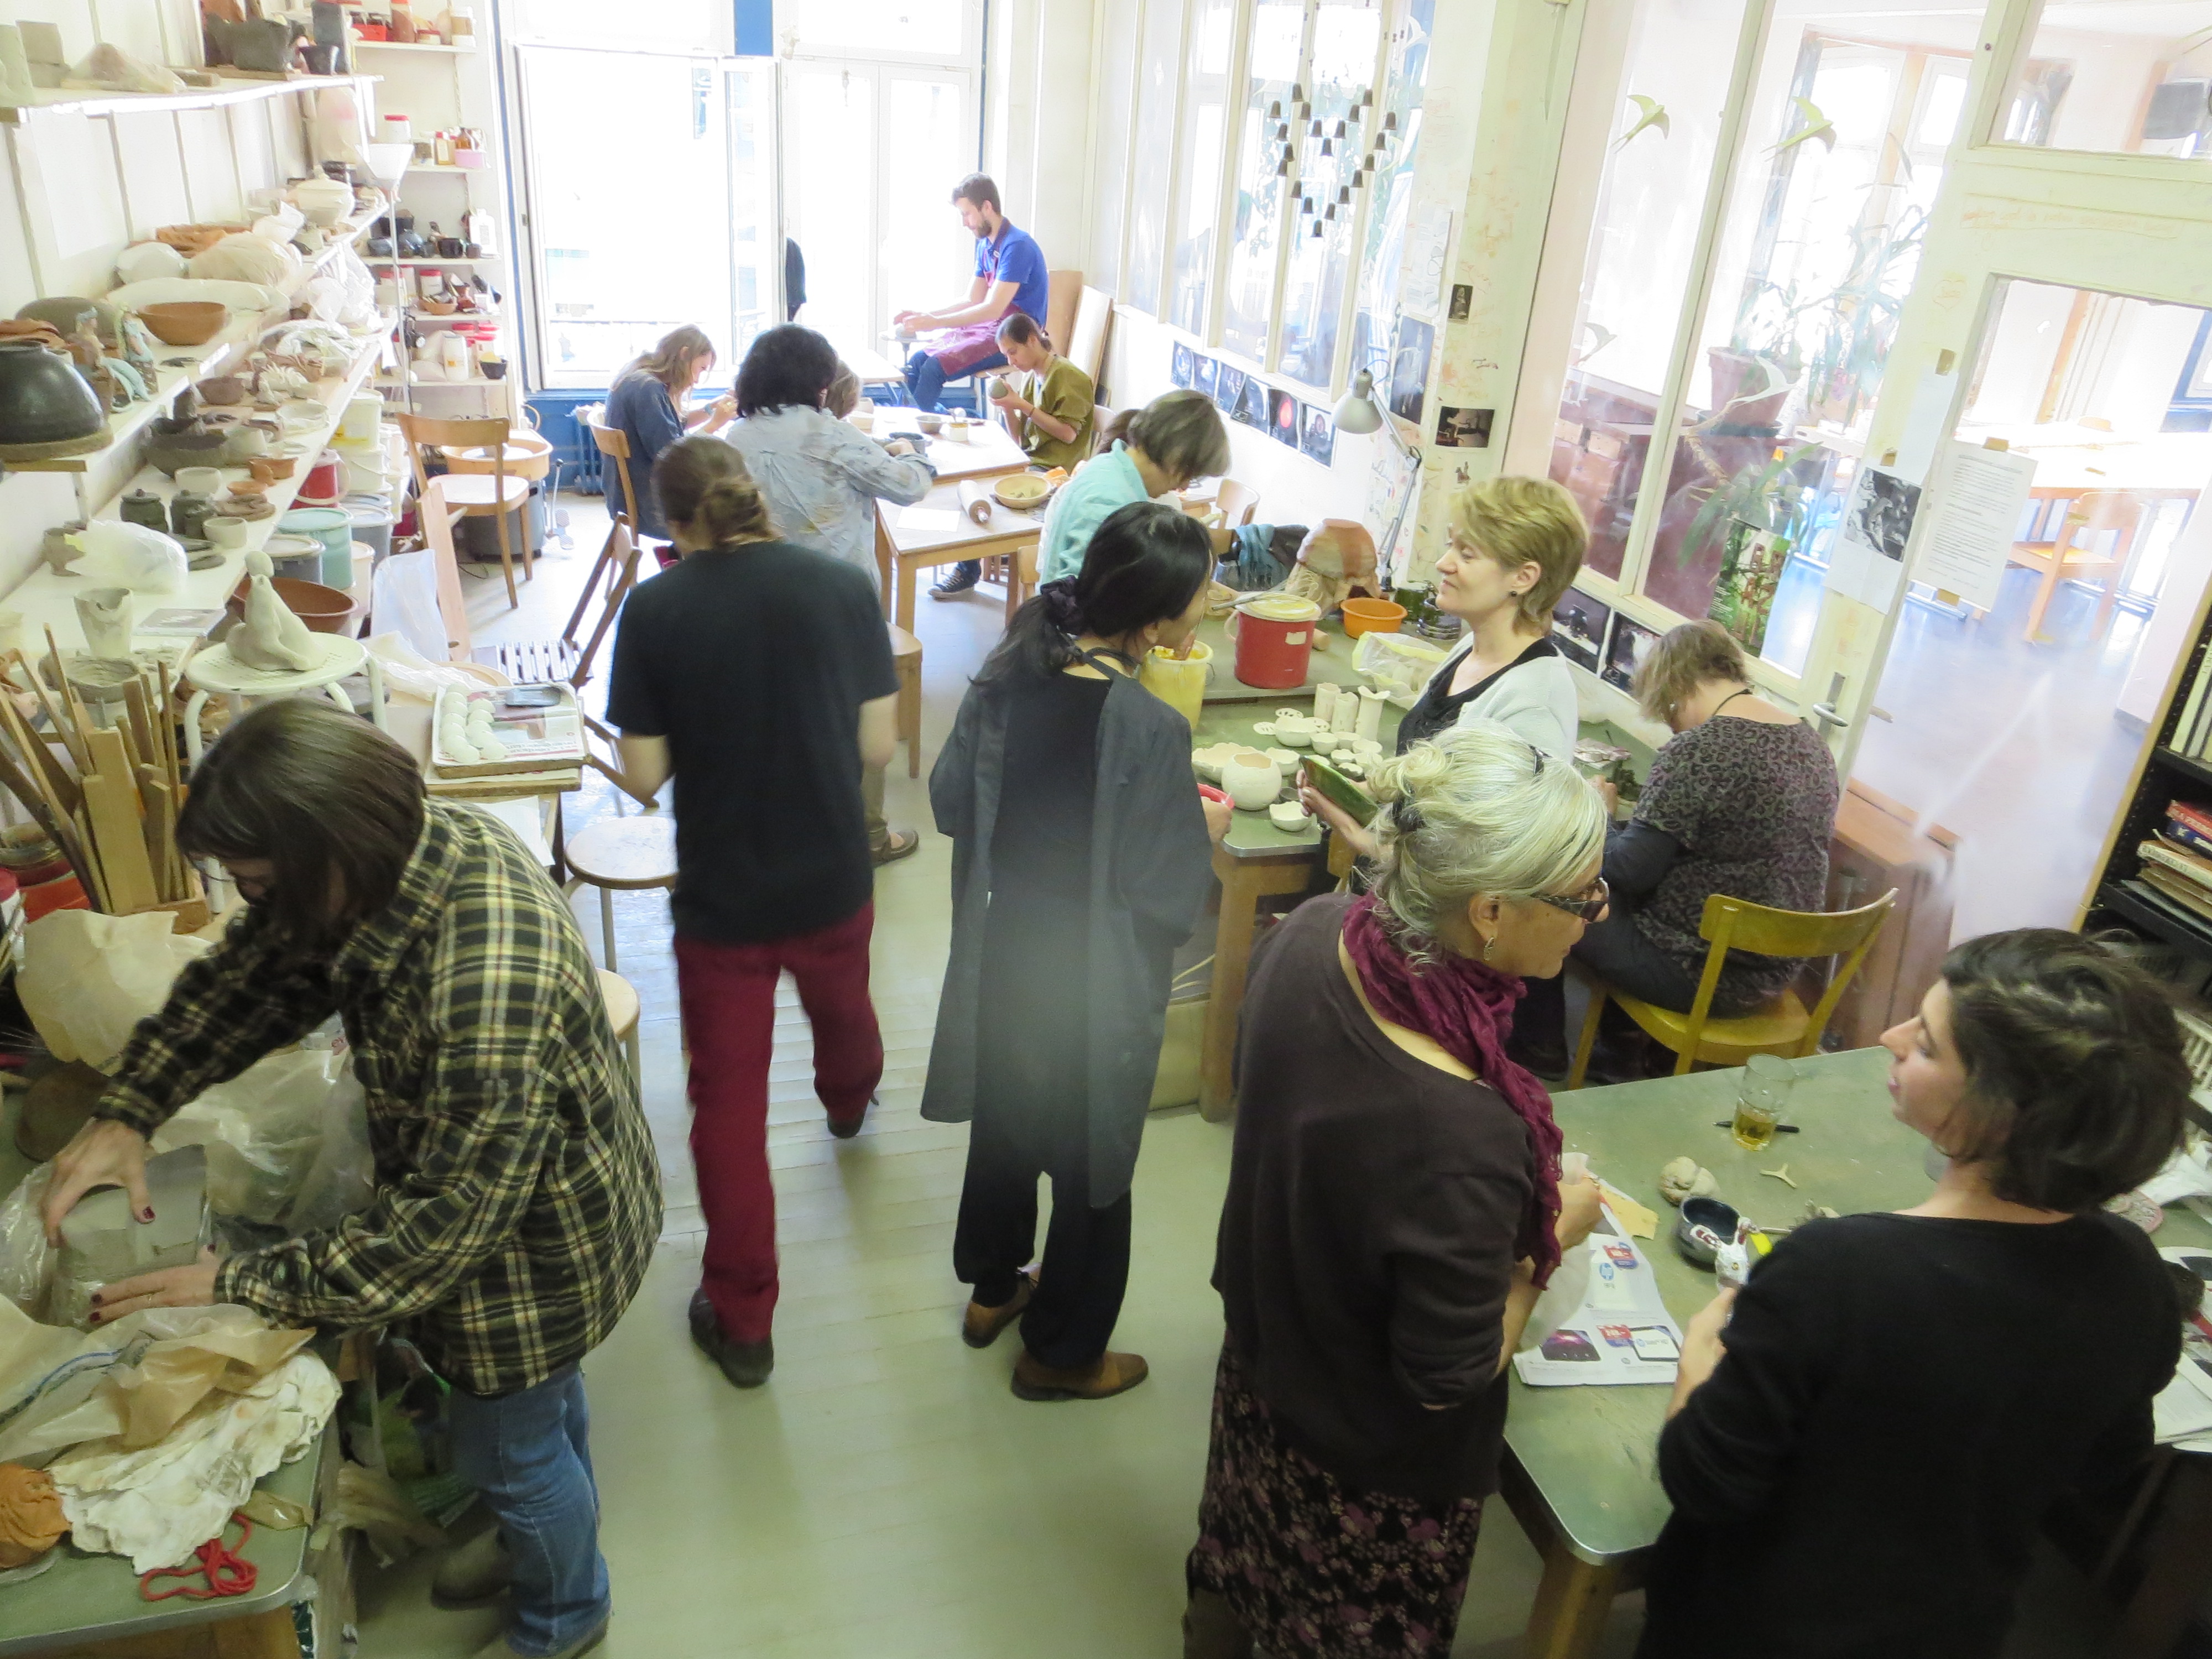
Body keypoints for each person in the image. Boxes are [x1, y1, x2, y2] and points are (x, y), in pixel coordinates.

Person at [41, 700, 659, 1659]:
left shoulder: (485, 983)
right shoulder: (397, 858)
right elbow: (256, 977)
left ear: (328, 858)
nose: (251, 906)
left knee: (508, 1446)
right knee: (536, 1415)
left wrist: (239, 1280)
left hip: (532, 1259)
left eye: (258, 883)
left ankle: (566, 1614)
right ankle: (539, 1537)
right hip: (531, 1199)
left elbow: (437, 1236)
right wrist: (133, 1106)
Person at [1185, 722, 1610, 1659]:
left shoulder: (1312, 933)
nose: (1594, 916)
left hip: (1265, 1359)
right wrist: (1546, 1251)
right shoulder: (1465, 1132)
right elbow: (1445, 1377)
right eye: (1582, 897)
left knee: (1243, 1569)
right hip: (1362, 1461)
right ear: (1490, 910)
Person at [1645, 929, 2188, 1658]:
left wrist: (1697, 1365)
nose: (1890, 1037)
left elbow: (1705, 1484)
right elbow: (2103, 1466)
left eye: (1927, 1045)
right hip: (1952, 1628)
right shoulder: (2135, 1274)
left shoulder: (1836, 1270)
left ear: (2002, 1110)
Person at [608, 437, 901, 1392]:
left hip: (723, 897)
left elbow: (644, 776)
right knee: (844, 1009)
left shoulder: (656, 609)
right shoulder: (843, 588)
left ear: (675, 522)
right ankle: (849, 1102)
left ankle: (743, 1325)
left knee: (728, 1109)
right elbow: (878, 746)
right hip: (831, 873)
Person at [923, 501, 1230, 1402]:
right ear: (1156, 621)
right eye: (1199, 594)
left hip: (1009, 949)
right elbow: (1166, 893)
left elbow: (950, 803)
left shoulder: (1007, 677)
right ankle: (1062, 1356)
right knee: (1094, 1155)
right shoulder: (1150, 727)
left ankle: (993, 1290)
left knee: (1007, 1121)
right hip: (1095, 975)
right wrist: (1202, 833)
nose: (1206, 605)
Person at [1561, 619, 1838, 1082]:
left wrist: (1600, 814)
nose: (1670, 726)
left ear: (1674, 688)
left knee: (1549, 897)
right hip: (1774, 969)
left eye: (1666, 712)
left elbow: (1628, 870)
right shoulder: (1811, 742)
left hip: (1701, 973)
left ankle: (1556, 1050)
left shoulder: (1699, 749)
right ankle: (1626, 1049)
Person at [724, 324, 934, 863]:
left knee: (784, 719)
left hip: (761, 603)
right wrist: (914, 452)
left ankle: (785, 826)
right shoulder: (829, 433)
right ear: (815, 382)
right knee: (858, 715)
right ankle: (867, 835)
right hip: (839, 605)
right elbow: (909, 487)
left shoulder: (735, 437)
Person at [926, 314, 1097, 600]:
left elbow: (1069, 434)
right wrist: (1008, 407)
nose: (1011, 360)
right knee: (972, 482)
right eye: (1007, 355)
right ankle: (973, 561)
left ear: (1032, 340)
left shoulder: (1069, 376)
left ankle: (971, 566)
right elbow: (1020, 440)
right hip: (1031, 460)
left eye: (1013, 352)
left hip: (1056, 470)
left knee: (986, 493)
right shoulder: (1033, 375)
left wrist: (1022, 405)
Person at [1024, 389, 1234, 590]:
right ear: (1176, 456)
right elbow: (1076, 593)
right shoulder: (1111, 499)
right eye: (1189, 474)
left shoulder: (1108, 465)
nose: (1185, 486)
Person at [894, 173, 1050, 413]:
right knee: (917, 362)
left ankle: (918, 429)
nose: (965, 223)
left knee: (933, 368)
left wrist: (935, 323)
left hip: (1017, 335)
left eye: (967, 214)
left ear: (987, 207)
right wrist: (925, 315)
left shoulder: (1017, 246)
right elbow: (972, 299)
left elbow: (993, 308)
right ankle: (906, 423)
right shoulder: (985, 244)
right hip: (990, 327)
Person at [603, 324, 735, 547]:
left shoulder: (637, 376)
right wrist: (715, 425)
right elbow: (673, 454)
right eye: (701, 368)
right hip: (650, 506)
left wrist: (712, 407)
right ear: (684, 354)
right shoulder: (648, 389)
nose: (696, 380)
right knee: (727, 509)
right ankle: (691, 561)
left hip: (623, 497)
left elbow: (673, 424)